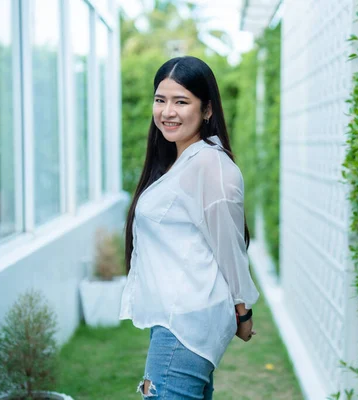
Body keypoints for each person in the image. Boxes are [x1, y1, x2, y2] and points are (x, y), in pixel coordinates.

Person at [120, 56, 260, 399]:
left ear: (207, 109)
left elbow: (229, 246)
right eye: (160, 99)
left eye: (181, 101)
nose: (168, 111)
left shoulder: (210, 165)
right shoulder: (183, 161)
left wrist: (243, 313)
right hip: (175, 319)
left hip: (185, 321)